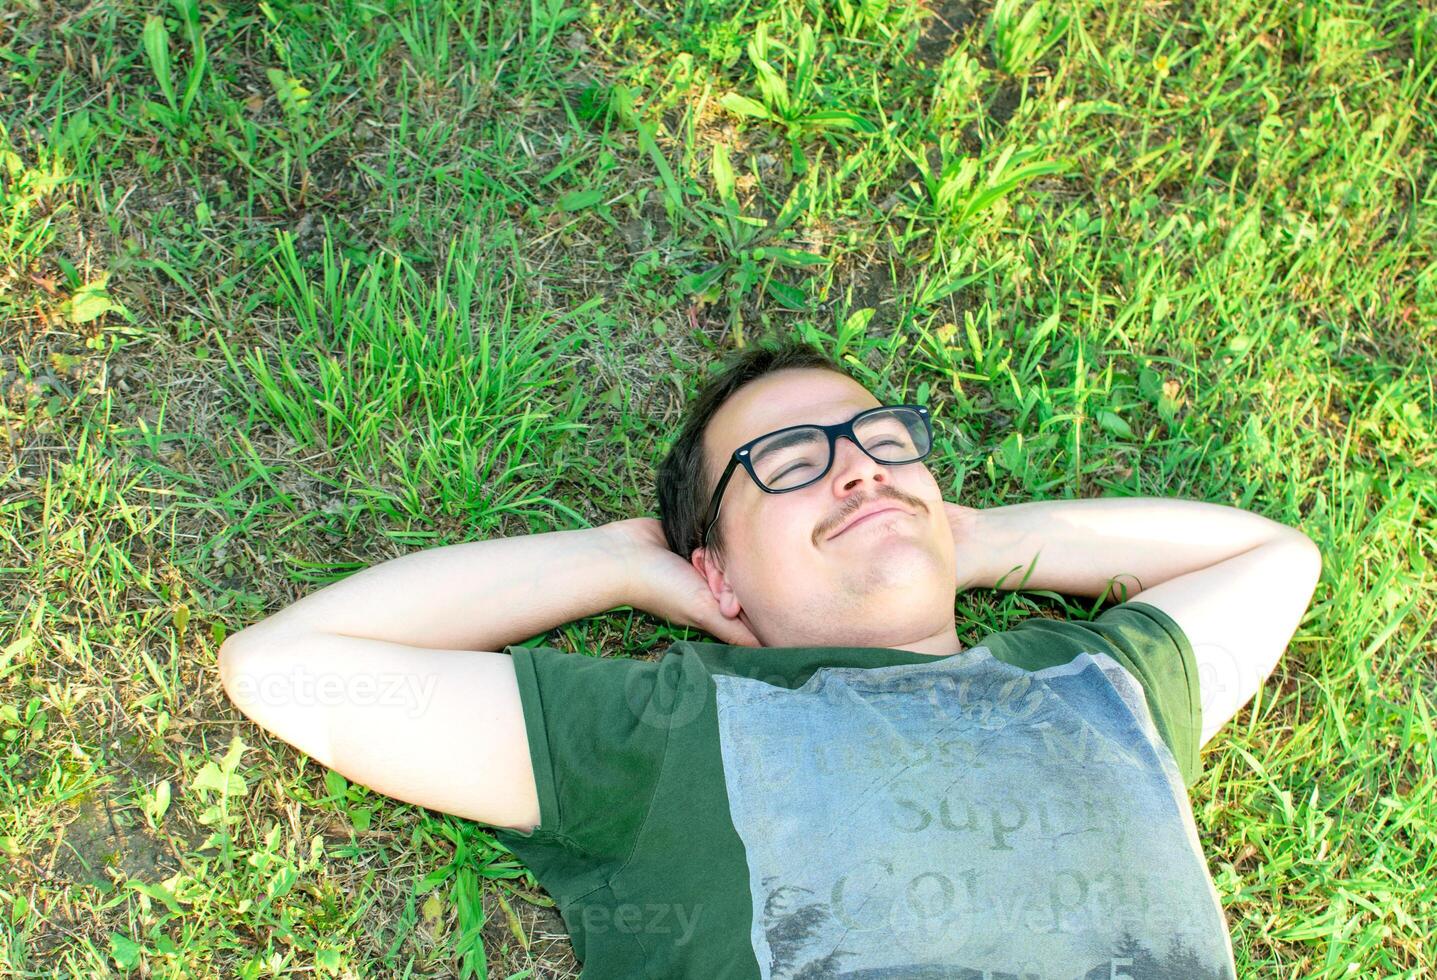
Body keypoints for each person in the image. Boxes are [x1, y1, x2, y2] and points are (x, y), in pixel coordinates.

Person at [218, 340, 1321, 979]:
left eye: (885, 445)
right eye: (788, 462)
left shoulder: (1099, 685)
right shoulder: (674, 726)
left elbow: (1276, 556)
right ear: (720, 575)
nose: (860, 471)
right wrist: (620, 563)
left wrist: (973, 538)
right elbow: (288, 664)